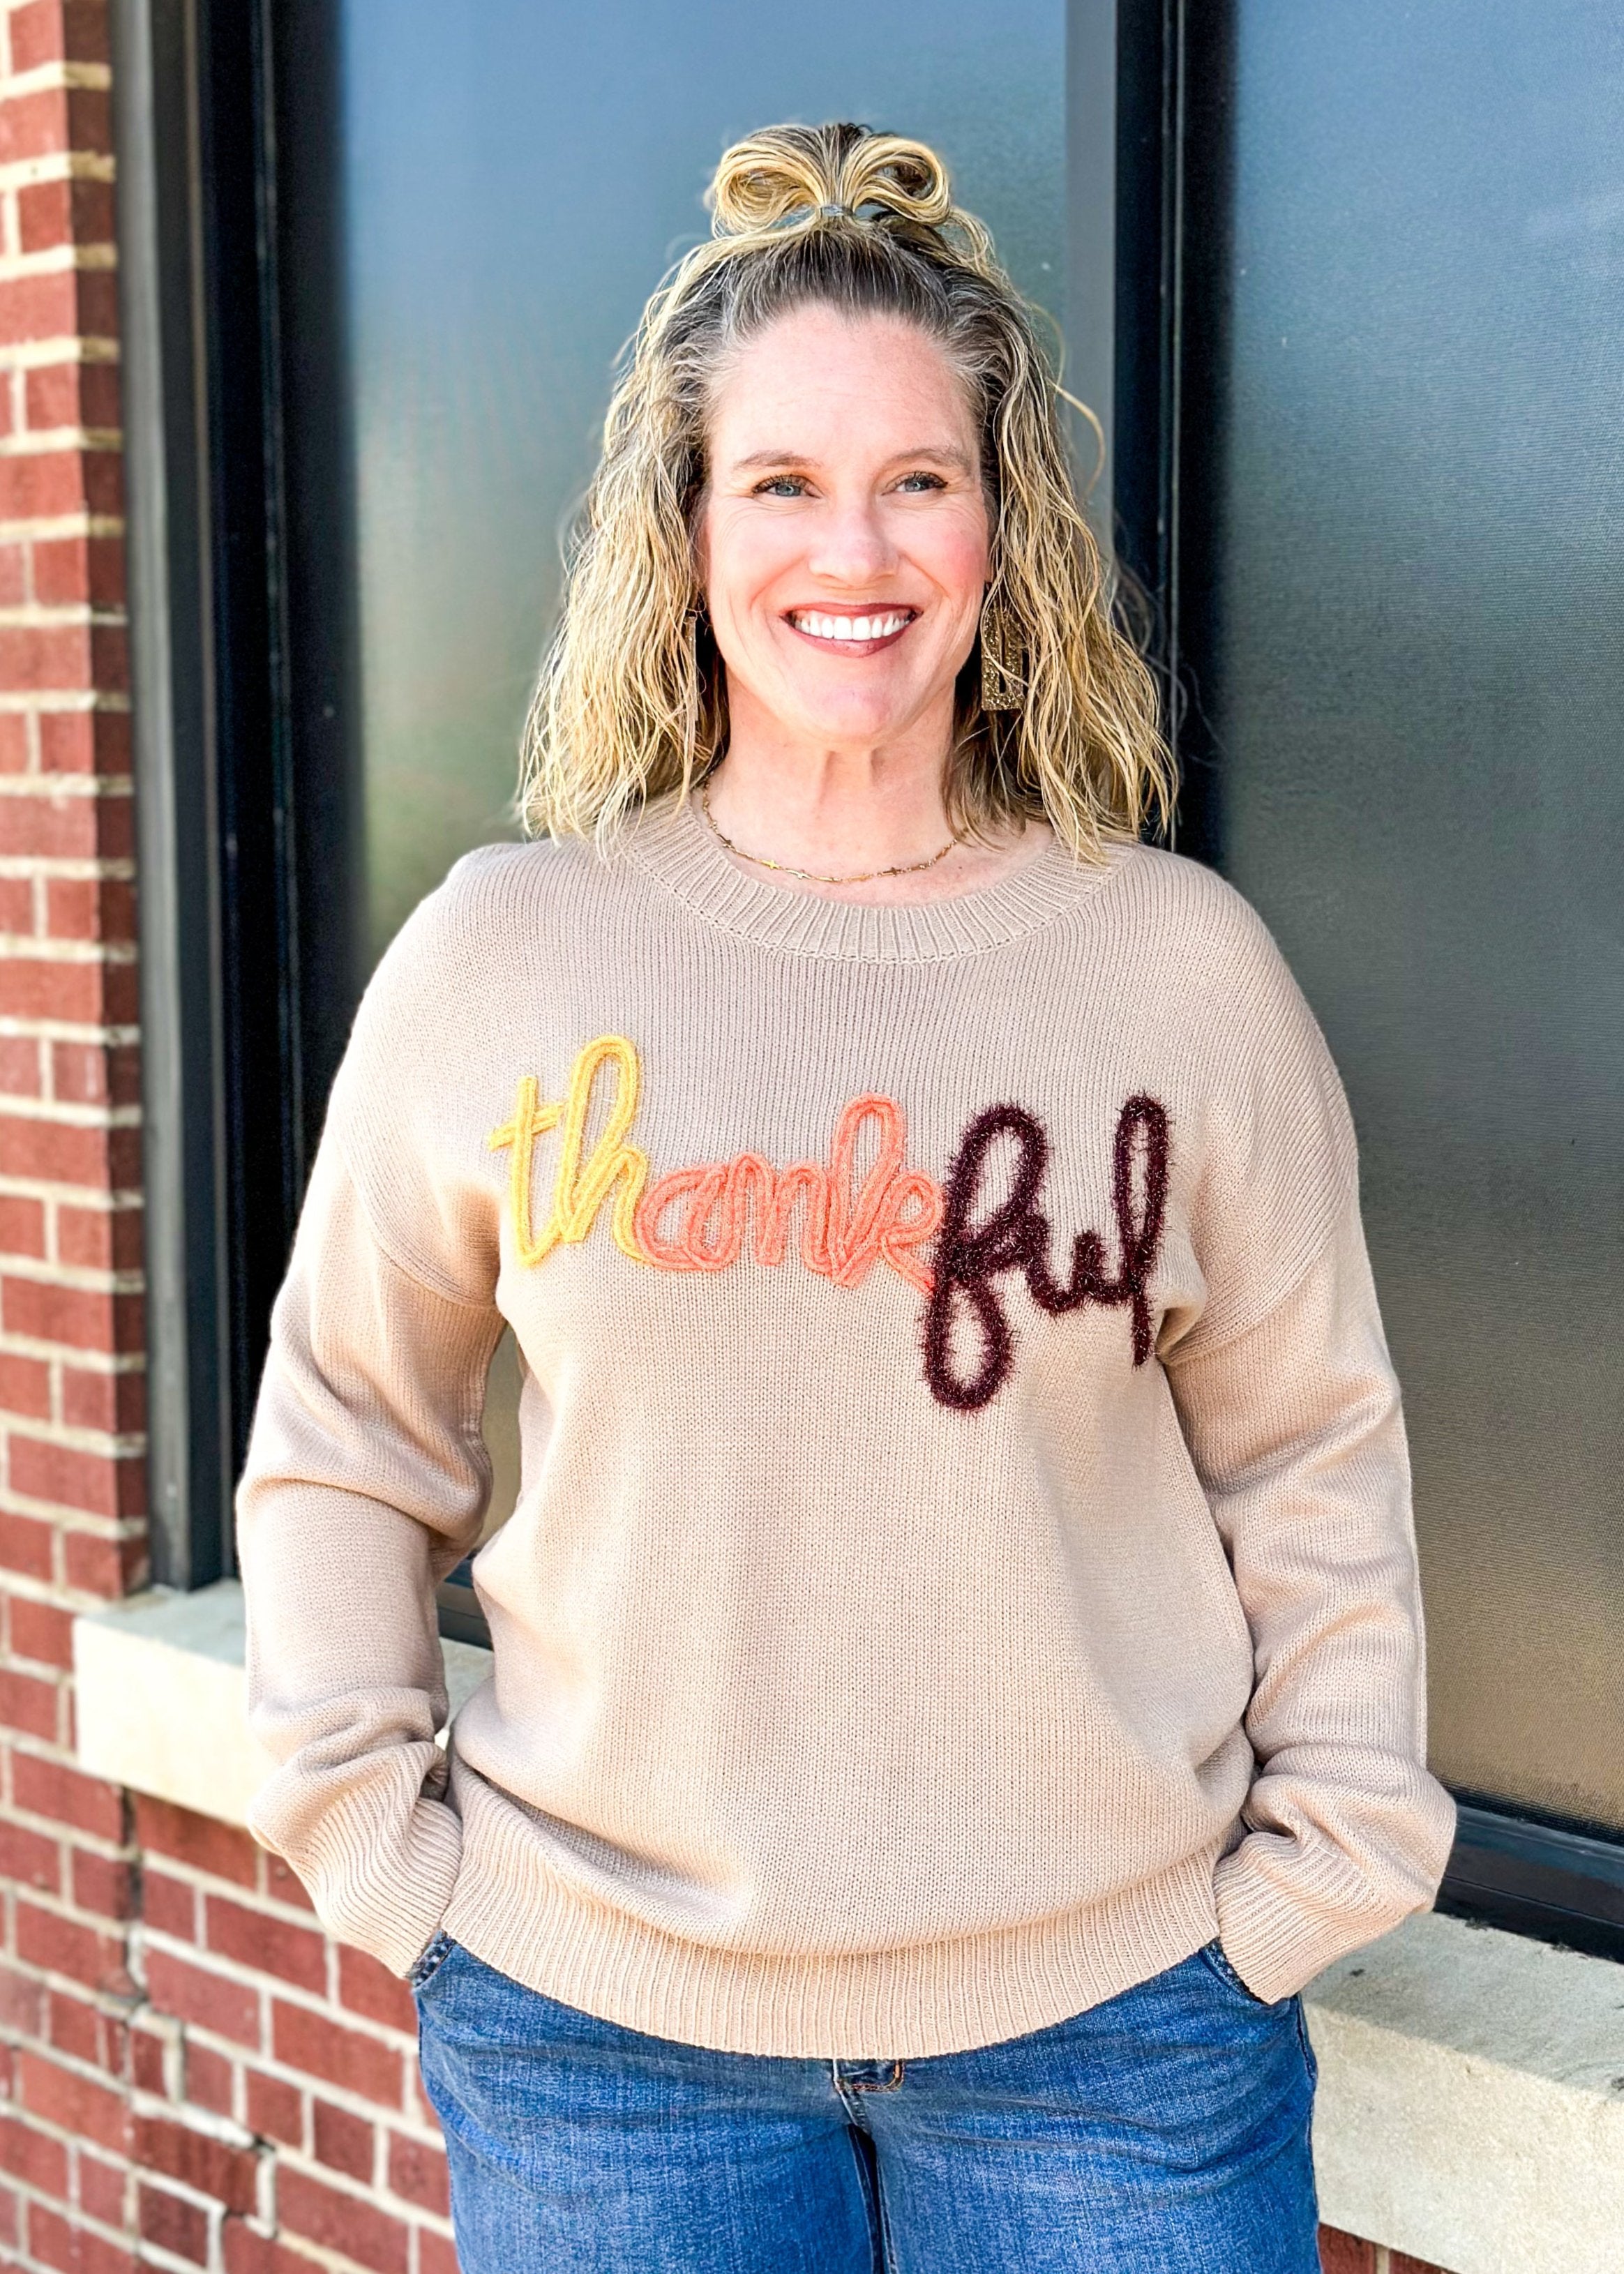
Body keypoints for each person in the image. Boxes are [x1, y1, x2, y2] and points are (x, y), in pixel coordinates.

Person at [239, 121, 1454, 2274]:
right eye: (781, 482)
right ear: (686, 530)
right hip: (608, 2049)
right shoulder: (508, 958)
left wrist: (1308, 1882)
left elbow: (1313, 1449)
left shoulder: (1175, 970)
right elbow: (345, 1434)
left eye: (919, 478)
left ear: (1001, 534)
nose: (853, 547)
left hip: (1117, 2044)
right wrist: (387, 1854)